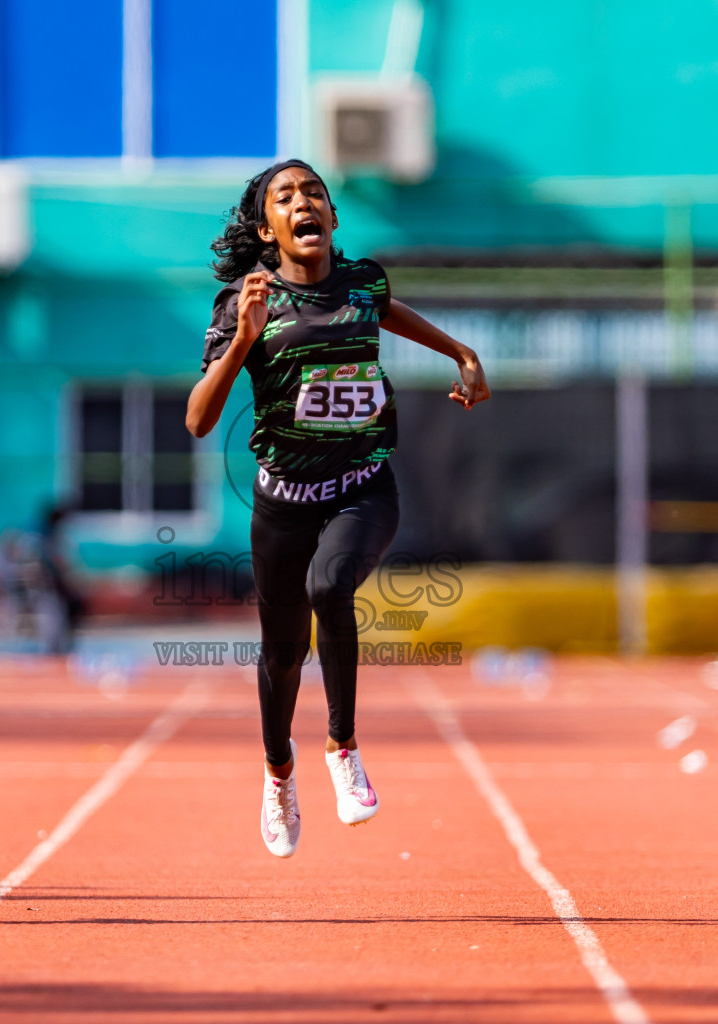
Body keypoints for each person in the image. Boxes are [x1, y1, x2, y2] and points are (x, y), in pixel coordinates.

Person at [187, 159, 490, 858]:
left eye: (314, 193)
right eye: (286, 197)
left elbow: (390, 312)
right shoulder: (245, 301)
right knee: (283, 654)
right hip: (282, 502)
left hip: (362, 486)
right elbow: (199, 420)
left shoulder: (364, 282)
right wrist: (242, 341)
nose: (304, 203)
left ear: (331, 217)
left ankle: (343, 746)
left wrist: (461, 353)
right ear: (269, 228)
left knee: (331, 586)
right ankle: (277, 774)